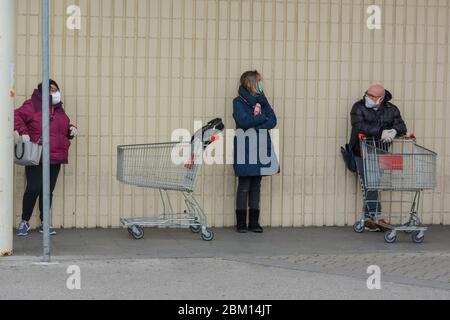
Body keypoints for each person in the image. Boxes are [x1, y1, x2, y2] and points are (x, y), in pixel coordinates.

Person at [14, 79, 78, 236]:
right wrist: (24, 132)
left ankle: (45, 222)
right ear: (42, 91)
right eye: (51, 89)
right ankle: (24, 221)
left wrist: (71, 129)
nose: (54, 92)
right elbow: (16, 116)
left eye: (56, 89)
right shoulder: (32, 105)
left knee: (48, 190)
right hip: (38, 155)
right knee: (33, 188)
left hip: (55, 156)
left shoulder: (59, 109)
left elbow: (63, 126)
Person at [350, 84, 407, 230]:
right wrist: (381, 132)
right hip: (361, 151)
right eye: (368, 94)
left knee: (375, 184)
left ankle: (369, 219)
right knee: (370, 183)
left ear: (381, 98)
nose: (368, 98)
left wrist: (394, 131)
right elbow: (359, 126)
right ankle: (377, 216)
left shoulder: (391, 110)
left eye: (373, 96)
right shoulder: (358, 107)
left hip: (380, 151)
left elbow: (402, 126)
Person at [232, 70, 279, 233]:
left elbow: (273, 121)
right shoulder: (238, 102)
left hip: (261, 147)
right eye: (258, 81)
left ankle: (254, 222)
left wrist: (257, 122)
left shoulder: (263, 101)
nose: (261, 84)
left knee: (256, 185)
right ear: (250, 83)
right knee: (244, 185)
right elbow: (243, 121)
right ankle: (241, 223)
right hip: (245, 148)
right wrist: (261, 119)